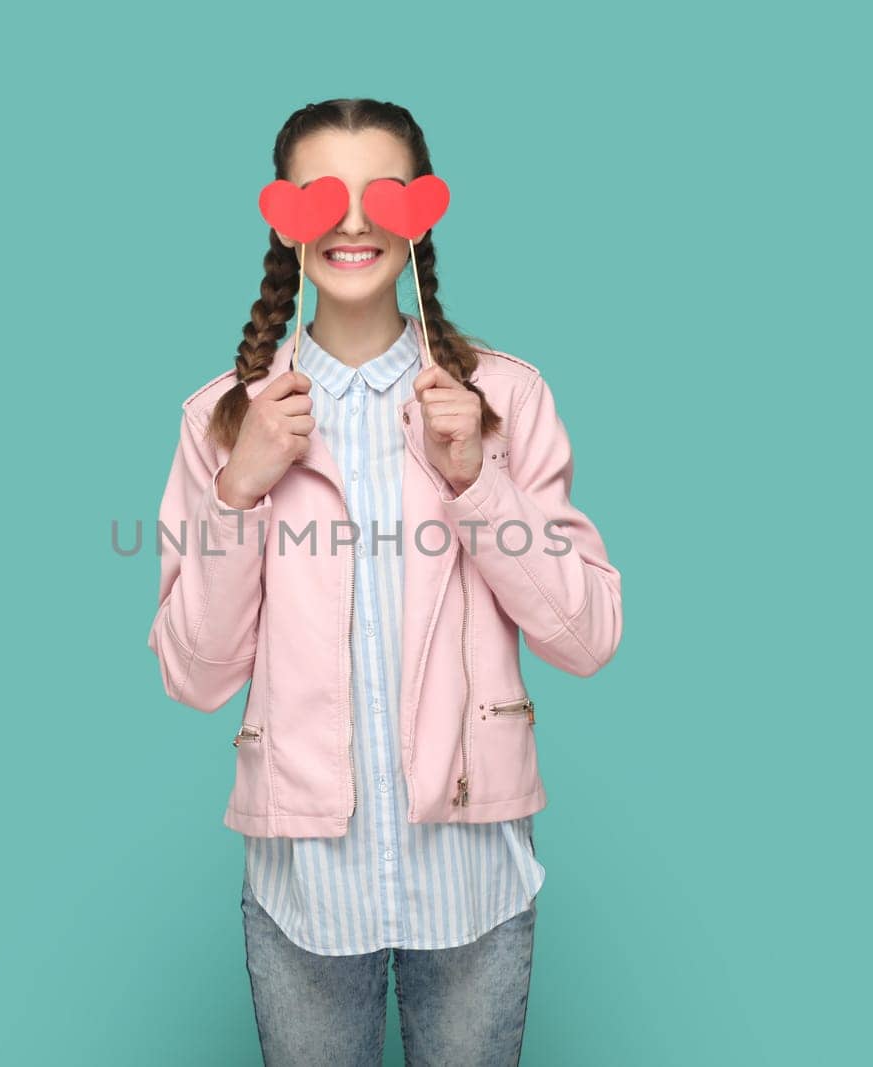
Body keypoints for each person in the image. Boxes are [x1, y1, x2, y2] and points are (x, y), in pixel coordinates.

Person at [147, 98, 623, 1066]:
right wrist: (238, 490)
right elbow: (193, 674)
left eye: (385, 196)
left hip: (474, 867)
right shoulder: (220, 418)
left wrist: (474, 479)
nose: (353, 222)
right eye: (324, 193)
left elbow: (585, 636)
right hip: (302, 877)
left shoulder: (506, 398)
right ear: (284, 216)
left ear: (425, 213)